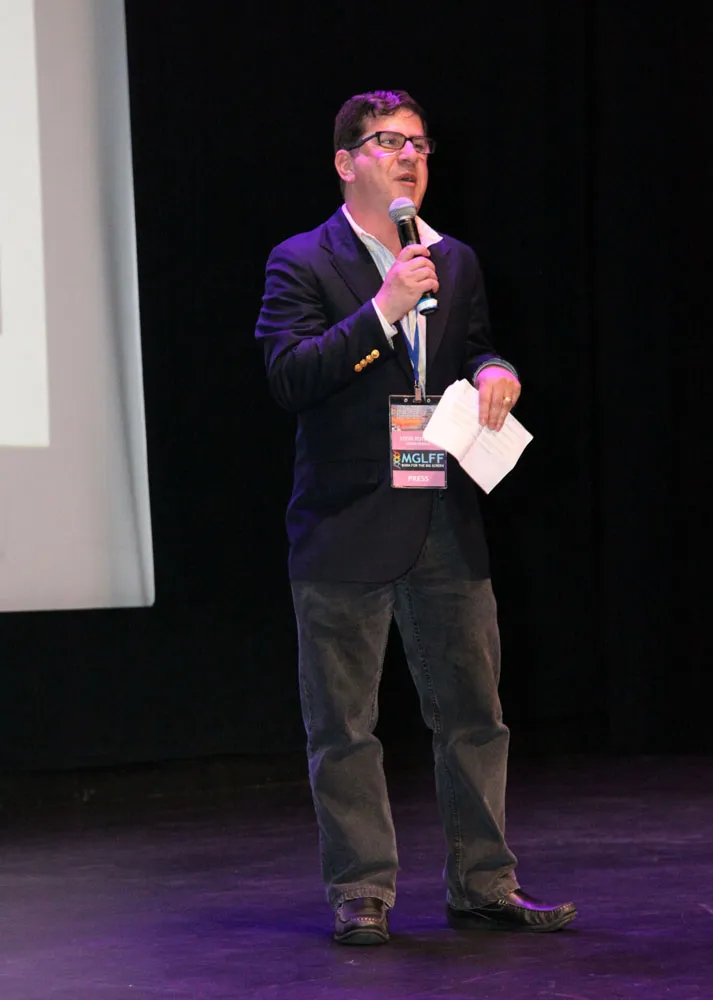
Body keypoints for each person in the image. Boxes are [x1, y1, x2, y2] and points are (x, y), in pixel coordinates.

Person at [255, 89, 576, 945]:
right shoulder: (301, 260)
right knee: (344, 727)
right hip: (345, 520)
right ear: (344, 162)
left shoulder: (453, 259)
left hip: (442, 511)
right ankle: (361, 891)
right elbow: (289, 376)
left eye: (419, 145)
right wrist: (381, 310)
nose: (408, 157)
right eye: (387, 141)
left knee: (474, 713)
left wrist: (497, 369)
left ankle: (483, 883)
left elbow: (471, 348)